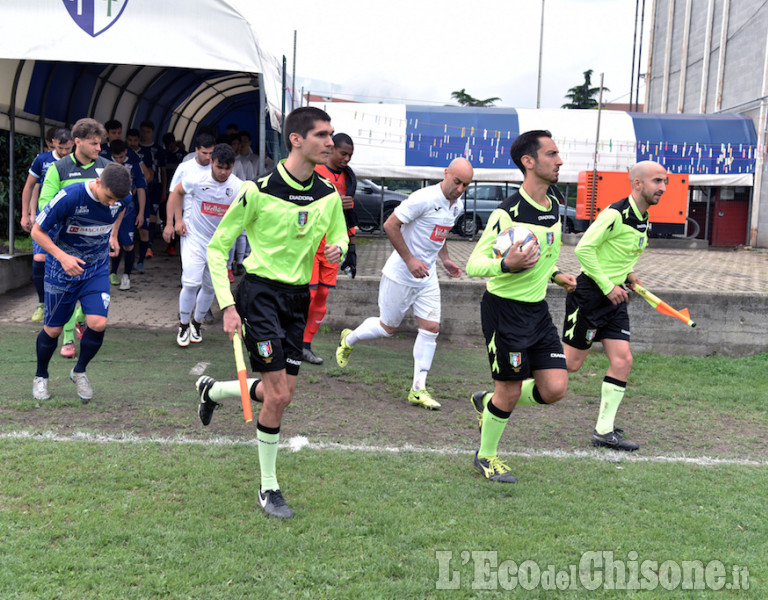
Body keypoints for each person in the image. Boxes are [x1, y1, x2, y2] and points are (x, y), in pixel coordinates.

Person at [198, 106, 349, 519]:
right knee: (279, 394)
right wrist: (228, 304)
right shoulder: (256, 190)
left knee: (278, 393)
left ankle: (212, 391)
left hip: (298, 299)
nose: (330, 142)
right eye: (322, 135)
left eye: (331, 135)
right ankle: (268, 487)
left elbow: (339, 237)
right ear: (297, 139)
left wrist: (339, 248)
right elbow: (217, 247)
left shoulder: (328, 194)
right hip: (260, 295)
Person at [466, 130, 577, 483]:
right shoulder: (507, 212)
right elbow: (474, 264)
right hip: (504, 311)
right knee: (510, 390)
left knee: (555, 388)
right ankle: (486, 456)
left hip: (538, 309)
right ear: (529, 162)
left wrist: (555, 273)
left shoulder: (555, 205)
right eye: (551, 154)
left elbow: (544, 254)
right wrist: (505, 264)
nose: (559, 161)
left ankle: (490, 403)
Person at [335, 158, 472, 409]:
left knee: (431, 327)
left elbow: (439, 234)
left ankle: (418, 389)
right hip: (400, 274)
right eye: (457, 182)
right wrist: (409, 260)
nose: (460, 188)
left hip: (427, 276)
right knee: (388, 328)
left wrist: (446, 260)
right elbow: (390, 225)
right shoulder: (424, 198)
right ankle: (349, 339)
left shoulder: (457, 206)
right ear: (446, 174)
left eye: (466, 185)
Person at [563, 161, 667, 452]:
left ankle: (603, 431)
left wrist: (629, 274)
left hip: (616, 297)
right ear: (637, 183)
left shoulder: (644, 217)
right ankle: (500, 397)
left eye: (665, 182)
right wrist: (608, 285)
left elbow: (621, 253)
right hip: (591, 296)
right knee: (570, 365)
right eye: (657, 181)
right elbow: (584, 249)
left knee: (623, 361)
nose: (663, 188)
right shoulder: (615, 213)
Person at [31, 162, 132, 402]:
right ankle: (40, 376)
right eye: (108, 197)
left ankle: (79, 371)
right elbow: (37, 231)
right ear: (98, 182)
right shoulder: (70, 196)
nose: (111, 204)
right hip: (61, 269)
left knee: (97, 323)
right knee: (53, 329)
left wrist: (113, 235)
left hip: (96, 268)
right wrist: (63, 257)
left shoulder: (121, 199)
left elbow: (121, 210)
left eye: (115, 200)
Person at [39, 118, 112, 359]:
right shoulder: (58, 169)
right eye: (94, 144)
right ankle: (68, 338)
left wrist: (111, 234)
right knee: (62, 307)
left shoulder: (107, 168)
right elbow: (45, 208)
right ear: (77, 142)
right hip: (65, 247)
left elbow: (121, 200)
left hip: (94, 250)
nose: (99, 148)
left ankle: (80, 323)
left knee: (94, 311)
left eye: (100, 144)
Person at [163, 143, 242, 347]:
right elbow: (177, 192)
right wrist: (177, 221)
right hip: (194, 238)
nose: (224, 172)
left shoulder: (239, 187)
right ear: (211, 162)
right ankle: (183, 325)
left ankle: (196, 324)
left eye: (228, 168)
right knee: (191, 283)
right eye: (219, 167)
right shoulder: (197, 179)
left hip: (219, 245)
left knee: (210, 286)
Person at [302, 132, 358, 365]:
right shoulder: (313, 170)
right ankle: (291, 341)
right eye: (343, 153)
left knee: (322, 296)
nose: (346, 159)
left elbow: (349, 215)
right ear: (331, 149)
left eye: (350, 155)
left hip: (334, 246)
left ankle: (305, 345)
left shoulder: (348, 178)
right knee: (309, 294)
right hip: (312, 244)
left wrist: (351, 248)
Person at [21, 128, 73, 322]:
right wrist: (26, 214)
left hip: (69, 220)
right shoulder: (42, 160)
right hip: (46, 218)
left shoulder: (78, 161)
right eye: (61, 148)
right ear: (53, 142)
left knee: (66, 260)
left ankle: (66, 303)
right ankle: (42, 303)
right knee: (40, 258)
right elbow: (30, 186)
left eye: (68, 148)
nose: (65, 152)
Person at [108, 139, 147, 290]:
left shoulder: (134, 166)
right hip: (110, 209)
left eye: (121, 157)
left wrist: (141, 212)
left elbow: (142, 188)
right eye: (115, 158)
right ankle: (112, 272)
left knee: (128, 244)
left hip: (128, 211)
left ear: (126, 152)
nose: (118, 161)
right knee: (111, 241)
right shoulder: (106, 165)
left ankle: (126, 276)